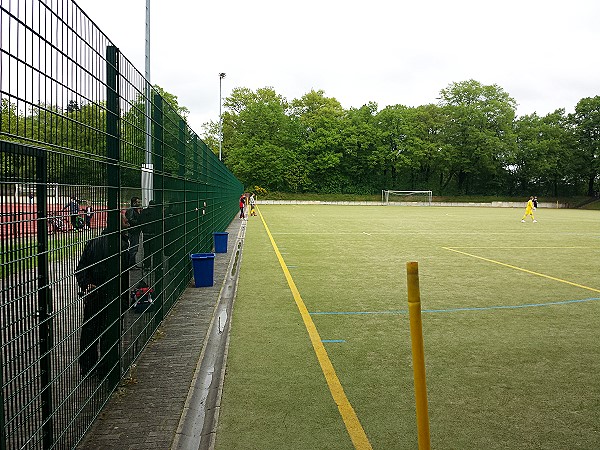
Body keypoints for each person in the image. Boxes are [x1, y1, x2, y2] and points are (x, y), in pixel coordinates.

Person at [76, 228, 129, 377]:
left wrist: (86, 284)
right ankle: (107, 368)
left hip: (94, 294)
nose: (128, 222)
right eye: (124, 220)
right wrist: (124, 299)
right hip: (113, 295)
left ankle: (87, 367)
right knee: (110, 331)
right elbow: (123, 274)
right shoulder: (122, 245)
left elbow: (81, 268)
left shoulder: (92, 242)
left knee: (90, 331)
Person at [140, 200, 162, 272]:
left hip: (146, 234)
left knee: (147, 251)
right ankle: (156, 266)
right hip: (154, 234)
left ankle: (147, 265)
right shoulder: (157, 212)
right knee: (155, 250)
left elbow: (140, 221)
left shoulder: (143, 212)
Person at [125, 197, 143, 267]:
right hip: (133, 231)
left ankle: (132, 263)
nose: (139, 203)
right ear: (134, 203)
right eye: (138, 202)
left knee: (135, 247)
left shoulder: (136, 210)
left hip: (136, 230)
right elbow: (130, 220)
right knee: (133, 247)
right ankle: (131, 263)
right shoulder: (131, 210)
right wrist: (139, 222)